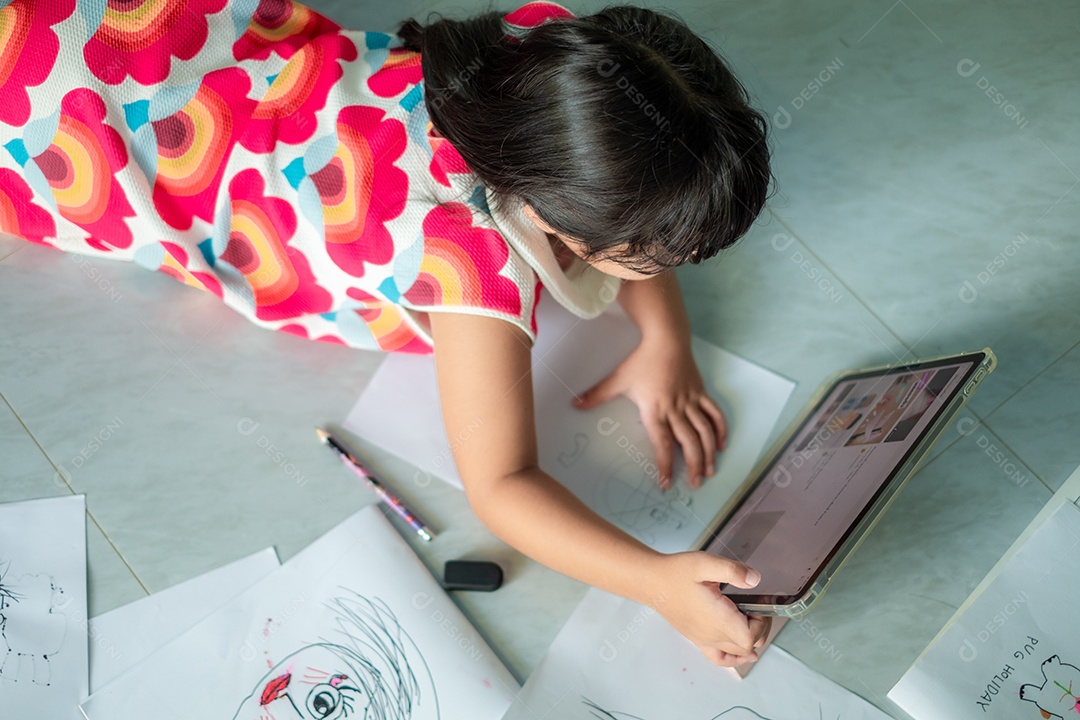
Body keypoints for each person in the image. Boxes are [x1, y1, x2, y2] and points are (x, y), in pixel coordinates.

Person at [0, 0, 772, 665]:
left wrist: (664, 339)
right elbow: (503, 488)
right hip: (70, 119)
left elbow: (619, 196)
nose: (680, 266)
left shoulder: (555, 59)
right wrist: (656, 583)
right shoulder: (472, 264)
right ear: (552, 215)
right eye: (664, 256)